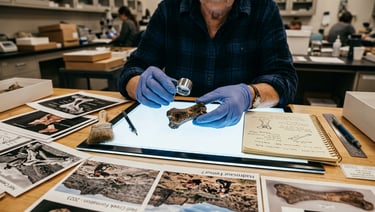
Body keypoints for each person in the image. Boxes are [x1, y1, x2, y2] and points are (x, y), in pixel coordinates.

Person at [118, 0, 298, 128]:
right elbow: (132, 69)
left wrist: (249, 95)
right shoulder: (169, 9)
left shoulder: (264, 9)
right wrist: (139, 85)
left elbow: (285, 80)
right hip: (179, 130)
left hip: (243, 129)